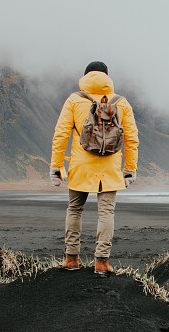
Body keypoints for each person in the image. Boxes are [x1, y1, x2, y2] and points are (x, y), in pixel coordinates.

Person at [49, 61, 139, 275]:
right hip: (110, 168)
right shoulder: (121, 103)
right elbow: (132, 139)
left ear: (85, 76)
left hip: (81, 167)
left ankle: (71, 260)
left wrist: (56, 166)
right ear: (107, 77)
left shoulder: (74, 100)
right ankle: (101, 263)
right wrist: (130, 169)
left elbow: (61, 135)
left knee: (74, 209)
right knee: (106, 213)